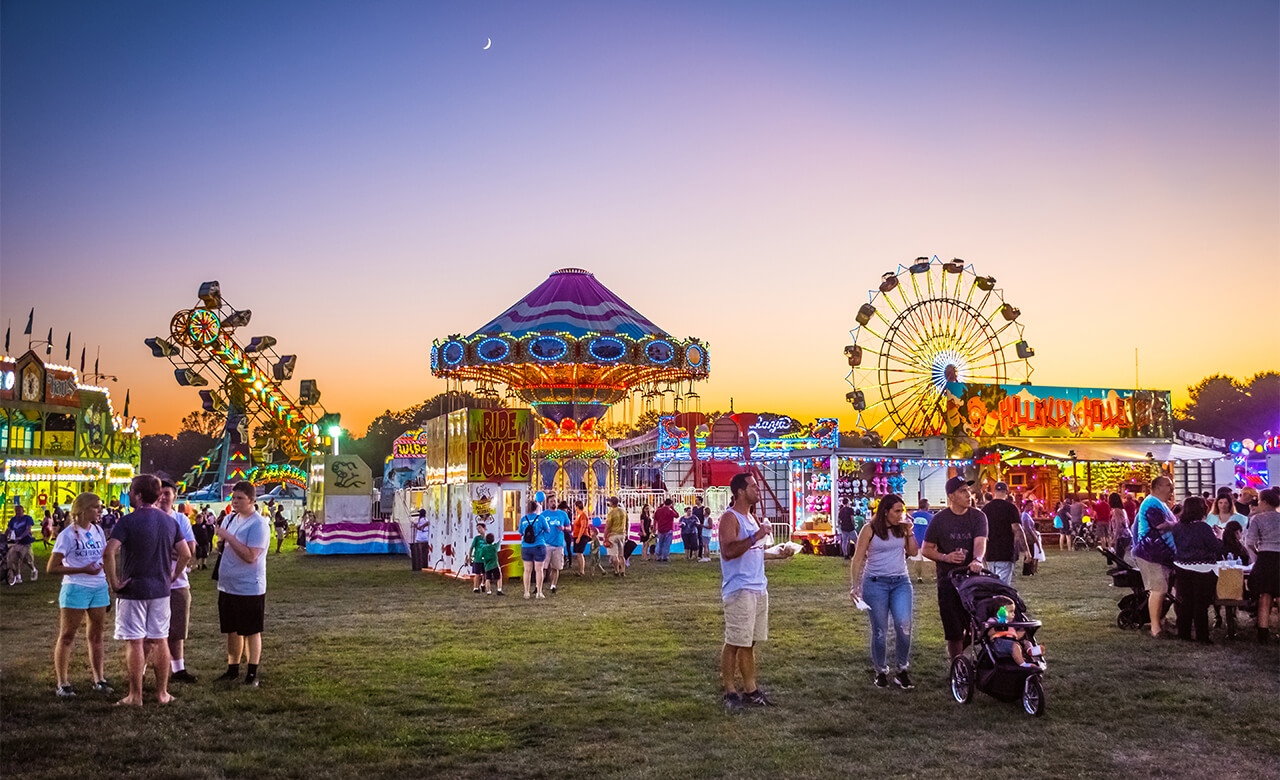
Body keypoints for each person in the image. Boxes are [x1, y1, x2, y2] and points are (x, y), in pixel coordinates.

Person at [103, 474, 191, 706]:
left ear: (139, 495)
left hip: (133, 590)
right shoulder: (170, 522)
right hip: (161, 591)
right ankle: (162, 693)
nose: (129, 493)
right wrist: (173, 576)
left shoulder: (127, 521)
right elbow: (186, 553)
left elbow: (109, 551)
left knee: (134, 641)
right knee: (161, 639)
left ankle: (135, 695)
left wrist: (114, 581)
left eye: (132, 490)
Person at [719, 472, 795, 712]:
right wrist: (757, 535)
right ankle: (730, 690)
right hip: (740, 588)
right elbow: (729, 551)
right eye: (753, 486)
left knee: (749, 642)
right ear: (740, 491)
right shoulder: (730, 518)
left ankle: (750, 689)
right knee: (734, 641)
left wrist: (777, 552)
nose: (758, 490)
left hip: (758, 586)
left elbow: (754, 552)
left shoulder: (751, 518)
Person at [849, 494, 918, 689]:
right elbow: (857, 558)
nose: (900, 515)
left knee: (904, 626)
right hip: (875, 583)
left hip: (900, 582)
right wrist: (855, 585)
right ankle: (881, 670)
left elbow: (913, 552)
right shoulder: (870, 529)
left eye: (901, 511)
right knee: (879, 630)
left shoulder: (902, 529)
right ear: (885, 511)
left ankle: (902, 670)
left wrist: (910, 532)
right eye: (897, 511)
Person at [47, 492, 112, 697]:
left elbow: (103, 557)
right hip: (76, 587)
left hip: (98, 586)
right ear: (83, 510)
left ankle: (99, 679)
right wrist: (83, 569)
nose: (100, 511)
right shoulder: (67, 535)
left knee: (96, 636)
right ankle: (63, 683)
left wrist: (108, 581)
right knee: (67, 635)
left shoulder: (98, 530)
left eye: (100, 507)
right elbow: (51, 568)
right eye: (96, 507)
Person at [921, 476, 988, 659]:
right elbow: (926, 549)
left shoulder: (978, 517)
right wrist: (945, 557)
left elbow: (980, 542)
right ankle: (957, 668)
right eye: (962, 491)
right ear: (951, 496)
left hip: (973, 580)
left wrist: (977, 560)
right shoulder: (940, 520)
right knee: (954, 631)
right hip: (948, 581)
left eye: (968, 490)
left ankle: (966, 656)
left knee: (979, 625)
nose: (969, 495)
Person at [214, 481, 269, 687]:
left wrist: (228, 537)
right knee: (232, 629)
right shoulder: (230, 518)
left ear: (252, 500)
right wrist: (222, 545)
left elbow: (250, 556)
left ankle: (252, 672)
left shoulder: (258, 524)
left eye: (240, 498)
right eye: (233, 498)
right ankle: (232, 668)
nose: (234, 502)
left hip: (249, 586)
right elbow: (228, 549)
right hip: (228, 585)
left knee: (251, 630)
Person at [158, 481, 199, 685]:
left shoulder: (181, 519)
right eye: (160, 493)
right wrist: (176, 550)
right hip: (154, 583)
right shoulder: (149, 517)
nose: (163, 497)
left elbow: (190, 551)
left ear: (174, 496)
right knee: (151, 630)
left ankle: (178, 668)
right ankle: (146, 668)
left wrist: (170, 551)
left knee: (177, 628)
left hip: (178, 582)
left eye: (167, 493)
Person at [1171, 496, 1223, 644]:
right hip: (1203, 569)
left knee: (1185, 602)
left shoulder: (1177, 527)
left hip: (1182, 566)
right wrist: (1219, 536)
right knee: (1201, 604)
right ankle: (1202, 636)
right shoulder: (1203, 528)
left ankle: (1184, 633)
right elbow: (1215, 547)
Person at [1132, 475, 1178, 639]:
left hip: (1161, 555)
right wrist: (1178, 523)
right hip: (1151, 554)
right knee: (1158, 589)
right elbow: (1160, 525)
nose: (1171, 489)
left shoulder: (1161, 504)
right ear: (1158, 487)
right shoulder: (1151, 503)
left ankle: (1160, 621)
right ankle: (1155, 628)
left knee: (1163, 590)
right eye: (1168, 485)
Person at [1242, 487, 1280, 644]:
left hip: (1265, 557)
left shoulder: (1257, 519)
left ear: (1263, 501)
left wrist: (1256, 555)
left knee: (1264, 595)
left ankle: (1263, 634)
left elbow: (1249, 542)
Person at [983, 481, 1028, 587]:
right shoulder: (1011, 508)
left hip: (989, 553)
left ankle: (992, 602)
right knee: (1002, 586)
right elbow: (1017, 529)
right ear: (1006, 493)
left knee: (991, 584)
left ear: (994, 492)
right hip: (1005, 552)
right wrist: (1026, 551)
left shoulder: (985, 509)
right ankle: (1000, 603)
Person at [518, 500, 548, 599]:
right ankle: (539, 592)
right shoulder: (541, 518)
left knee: (527, 570)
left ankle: (526, 592)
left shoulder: (523, 519)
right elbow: (547, 530)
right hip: (539, 545)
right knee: (539, 570)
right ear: (536, 508)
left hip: (526, 546)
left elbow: (521, 533)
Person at [541, 501, 570, 594]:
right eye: (551, 501)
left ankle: (553, 586)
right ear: (548, 503)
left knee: (556, 567)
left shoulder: (563, 514)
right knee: (543, 567)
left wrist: (564, 528)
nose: (553, 503)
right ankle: (539, 586)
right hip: (546, 544)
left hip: (558, 544)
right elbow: (538, 527)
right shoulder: (543, 514)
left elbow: (569, 527)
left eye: (555, 501)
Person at [6, 503, 37, 586]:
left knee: (26, 559)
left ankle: (33, 569)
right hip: (17, 543)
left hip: (25, 542)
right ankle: (18, 576)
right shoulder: (13, 520)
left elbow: (28, 530)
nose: (17, 513)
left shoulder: (27, 518)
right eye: (16, 511)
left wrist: (21, 537)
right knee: (14, 559)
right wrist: (4, 536)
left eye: (19, 511)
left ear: (23, 511)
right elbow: (8, 529)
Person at [909, 498, 933, 583]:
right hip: (926, 542)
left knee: (916, 560)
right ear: (927, 507)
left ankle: (918, 577)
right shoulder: (931, 517)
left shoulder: (913, 516)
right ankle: (928, 577)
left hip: (915, 541)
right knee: (927, 561)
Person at [604, 497, 629, 576]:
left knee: (614, 555)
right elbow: (627, 523)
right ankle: (623, 570)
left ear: (611, 503)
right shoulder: (624, 512)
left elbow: (608, 525)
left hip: (613, 534)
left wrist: (605, 536)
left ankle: (616, 570)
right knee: (621, 555)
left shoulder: (611, 513)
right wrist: (626, 533)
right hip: (622, 534)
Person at [467, 521, 488, 593]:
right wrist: (469, 558)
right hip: (477, 558)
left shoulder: (488, 538)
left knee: (485, 574)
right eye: (477, 528)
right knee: (477, 574)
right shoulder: (477, 538)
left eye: (479, 528)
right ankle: (475, 587)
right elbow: (471, 548)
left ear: (484, 528)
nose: (478, 530)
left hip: (485, 559)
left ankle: (483, 584)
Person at [572, 501, 592, 576]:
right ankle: (580, 569)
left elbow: (583, 527)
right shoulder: (578, 515)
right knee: (578, 553)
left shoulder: (583, 515)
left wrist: (579, 537)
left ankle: (582, 570)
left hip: (582, 535)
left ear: (576, 507)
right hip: (577, 535)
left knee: (580, 553)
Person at [692, 497, 709, 561]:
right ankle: (694, 553)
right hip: (694, 525)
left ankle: (700, 554)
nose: (696, 501)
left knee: (700, 539)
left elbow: (704, 516)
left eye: (697, 500)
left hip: (700, 525)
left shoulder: (703, 508)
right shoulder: (694, 508)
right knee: (694, 539)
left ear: (700, 501)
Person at [698, 497, 714, 562]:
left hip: (707, 533)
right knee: (706, 545)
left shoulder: (709, 519)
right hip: (705, 533)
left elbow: (710, 526)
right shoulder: (706, 518)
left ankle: (705, 556)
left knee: (705, 545)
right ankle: (708, 556)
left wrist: (703, 526)